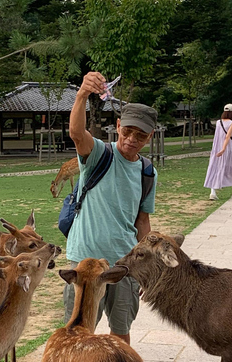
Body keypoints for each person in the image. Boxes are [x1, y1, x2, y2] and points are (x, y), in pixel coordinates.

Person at [64, 71, 158, 345]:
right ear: (118, 126)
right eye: (127, 131)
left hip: (123, 265)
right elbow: (76, 132)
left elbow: (143, 222)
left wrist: (146, 268)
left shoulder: (147, 172)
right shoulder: (98, 155)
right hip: (85, 261)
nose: (131, 139)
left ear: (149, 137)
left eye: (140, 136)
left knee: (120, 332)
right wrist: (82, 94)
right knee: (78, 335)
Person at [204, 104, 232, 200]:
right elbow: (227, 137)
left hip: (217, 147)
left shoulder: (218, 122)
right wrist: (224, 148)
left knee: (216, 168)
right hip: (228, 148)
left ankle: (213, 191)